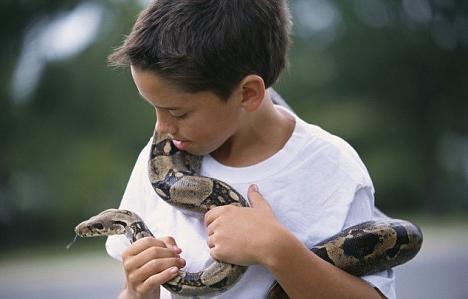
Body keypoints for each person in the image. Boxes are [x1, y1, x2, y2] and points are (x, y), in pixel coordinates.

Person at [105, 1, 395, 298]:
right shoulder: (153, 165)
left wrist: (277, 249)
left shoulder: (332, 166)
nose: (161, 127)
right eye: (154, 108)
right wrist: (136, 291)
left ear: (248, 93)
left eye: (178, 113)